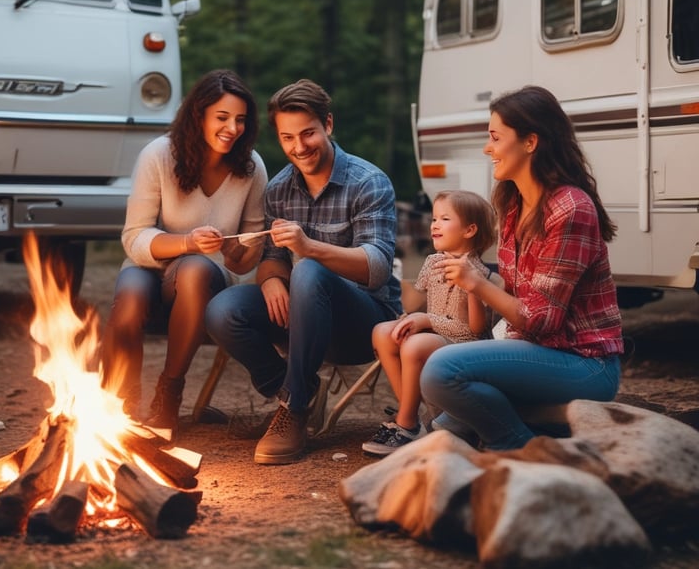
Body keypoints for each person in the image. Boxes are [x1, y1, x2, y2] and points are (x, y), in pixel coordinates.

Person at [205, 78, 402, 464]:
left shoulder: (369, 182)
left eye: (308, 133)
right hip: (304, 319)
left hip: (364, 324)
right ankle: (297, 389)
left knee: (309, 270)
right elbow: (272, 259)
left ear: (328, 124)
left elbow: (377, 268)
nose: (299, 147)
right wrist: (274, 280)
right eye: (287, 138)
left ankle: (292, 410)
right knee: (222, 309)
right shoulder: (279, 190)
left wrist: (308, 249)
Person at [420, 85, 624, 451]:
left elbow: (542, 318)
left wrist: (476, 284)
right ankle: (511, 443)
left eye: (495, 137)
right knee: (445, 425)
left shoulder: (570, 208)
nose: (488, 148)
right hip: (537, 351)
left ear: (530, 142)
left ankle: (520, 449)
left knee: (441, 370)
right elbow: (517, 299)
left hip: (585, 363)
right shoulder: (514, 205)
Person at [100, 69, 268, 434]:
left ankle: (169, 392)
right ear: (199, 115)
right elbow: (134, 236)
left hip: (206, 278)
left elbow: (249, 251)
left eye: (240, 120)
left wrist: (238, 252)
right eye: (222, 118)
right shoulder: (159, 155)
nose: (232, 128)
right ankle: (120, 404)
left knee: (193, 269)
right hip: (151, 263)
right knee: (129, 298)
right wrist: (187, 242)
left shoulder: (251, 169)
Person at [362, 190, 496, 456]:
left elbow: (475, 330)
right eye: (434, 218)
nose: (434, 224)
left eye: (444, 218)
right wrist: (390, 276)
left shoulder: (477, 272)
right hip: (435, 334)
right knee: (382, 332)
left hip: (463, 345)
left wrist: (427, 318)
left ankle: (406, 425)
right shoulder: (433, 261)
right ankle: (411, 414)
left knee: (414, 345)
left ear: (469, 230)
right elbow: (414, 303)